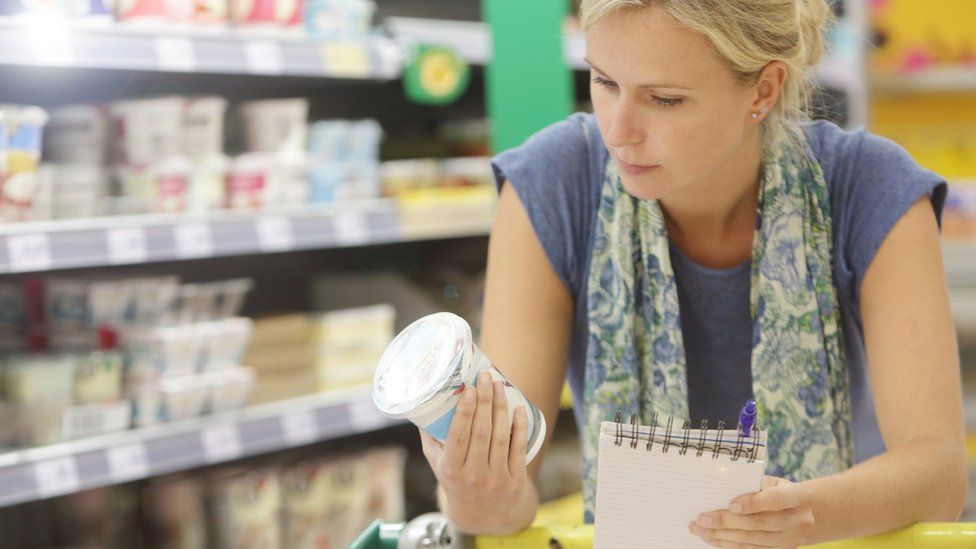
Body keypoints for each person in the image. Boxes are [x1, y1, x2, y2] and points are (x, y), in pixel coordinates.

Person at [418, 1, 969, 547]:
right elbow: (511, 493)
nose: (620, 131)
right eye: (605, 82)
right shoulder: (551, 184)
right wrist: (475, 493)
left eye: (665, 99)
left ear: (763, 89)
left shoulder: (870, 187)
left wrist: (809, 514)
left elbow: (939, 473)